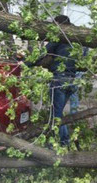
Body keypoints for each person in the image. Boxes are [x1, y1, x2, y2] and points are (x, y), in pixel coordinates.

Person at [30, 15, 84, 146]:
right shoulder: (80, 38)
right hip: (73, 80)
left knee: (56, 114)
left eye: (54, 24)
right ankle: (67, 141)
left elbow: (42, 53)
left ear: (59, 24)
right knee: (59, 113)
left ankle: (63, 143)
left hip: (59, 79)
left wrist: (26, 63)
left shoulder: (60, 35)